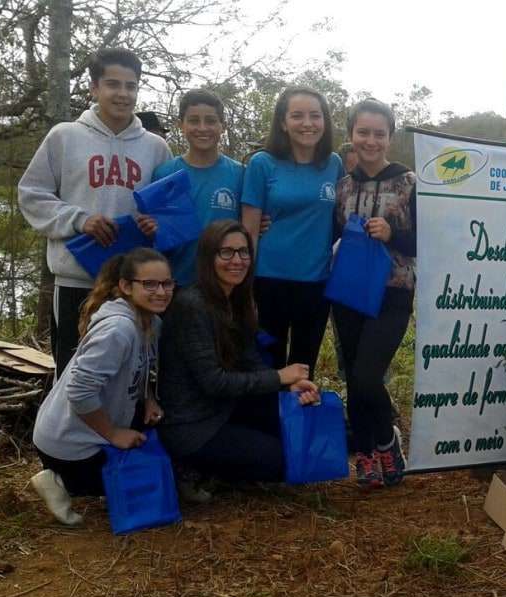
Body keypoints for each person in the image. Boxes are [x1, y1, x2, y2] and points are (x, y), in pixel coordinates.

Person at [18, 47, 171, 375]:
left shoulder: (156, 147)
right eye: (113, 84)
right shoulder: (65, 136)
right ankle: (67, 429)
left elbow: (168, 210)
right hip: (76, 278)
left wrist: (154, 224)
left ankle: (121, 428)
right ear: (94, 87)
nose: (123, 93)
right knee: (73, 373)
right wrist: (80, 220)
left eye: (131, 86)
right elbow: (31, 194)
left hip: (132, 284)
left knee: (128, 373)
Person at [157, 220, 319, 486]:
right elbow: (214, 382)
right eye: (227, 252)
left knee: (295, 433)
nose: (237, 260)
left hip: (224, 409)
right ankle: (188, 468)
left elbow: (249, 360)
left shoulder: (236, 299)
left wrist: (288, 388)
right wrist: (279, 377)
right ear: (209, 257)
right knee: (280, 461)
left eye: (244, 252)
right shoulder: (192, 305)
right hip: (192, 426)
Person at [29, 248, 173, 525]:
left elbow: (140, 367)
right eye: (150, 284)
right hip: (67, 443)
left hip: (89, 430)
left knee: (157, 472)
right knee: (147, 483)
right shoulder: (118, 330)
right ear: (126, 287)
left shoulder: (151, 321)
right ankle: (60, 480)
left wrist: (149, 398)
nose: (161, 292)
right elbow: (79, 391)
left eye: (167, 283)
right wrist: (113, 434)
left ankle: (88, 475)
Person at [332, 99, 415, 490]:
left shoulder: (409, 182)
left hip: (393, 292)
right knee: (352, 376)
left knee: (368, 376)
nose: (370, 140)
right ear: (350, 135)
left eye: (378, 133)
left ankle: (387, 440)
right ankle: (364, 452)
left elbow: (429, 240)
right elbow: (332, 235)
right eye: (362, 132)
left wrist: (393, 233)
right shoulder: (342, 187)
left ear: (390, 137)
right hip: (348, 290)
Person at [241, 86, 344, 374]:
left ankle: (298, 420)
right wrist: (245, 288)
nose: (307, 123)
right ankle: (264, 420)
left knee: (303, 365)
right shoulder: (262, 163)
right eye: (297, 116)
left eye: (315, 115)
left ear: (325, 121)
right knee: (265, 363)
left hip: (316, 282)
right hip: (267, 281)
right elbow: (249, 230)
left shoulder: (333, 164)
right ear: (283, 123)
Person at [152, 90, 244, 287]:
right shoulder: (164, 174)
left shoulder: (240, 174)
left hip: (227, 286)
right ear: (181, 125)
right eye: (194, 120)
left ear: (223, 126)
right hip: (177, 283)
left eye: (210, 121)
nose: (202, 128)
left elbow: (250, 224)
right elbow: (156, 232)